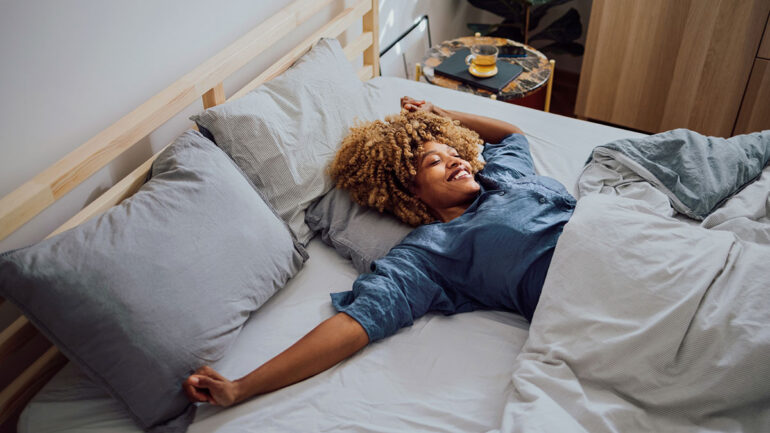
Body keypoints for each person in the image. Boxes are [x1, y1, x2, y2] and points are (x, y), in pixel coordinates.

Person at [182, 96, 576, 407]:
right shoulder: (432, 253)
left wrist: (440, 112)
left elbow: (512, 137)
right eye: (433, 162)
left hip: (616, 233)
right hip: (580, 290)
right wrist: (241, 387)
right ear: (411, 192)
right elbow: (356, 323)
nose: (455, 160)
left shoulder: (500, 174)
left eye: (454, 153)